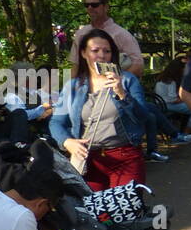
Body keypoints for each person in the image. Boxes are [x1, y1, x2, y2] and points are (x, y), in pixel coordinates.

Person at [49, 28, 149, 190]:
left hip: (125, 157)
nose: (101, 56)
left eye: (107, 51)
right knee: (95, 213)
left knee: (126, 211)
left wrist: (122, 94)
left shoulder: (127, 80)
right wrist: (67, 142)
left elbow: (143, 116)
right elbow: (56, 122)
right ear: (83, 53)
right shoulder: (73, 87)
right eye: (95, 50)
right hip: (89, 160)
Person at [69, 0, 144, 75]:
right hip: (85, 86)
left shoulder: (122, 35)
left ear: (106, 7)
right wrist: (70, 87)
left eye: (94, 5)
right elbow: (75, 65)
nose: (90, 8)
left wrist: (118, 82)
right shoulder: (81, 34)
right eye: (86, 5)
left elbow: (138, 66)